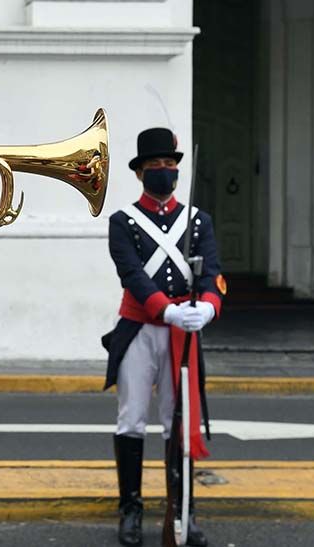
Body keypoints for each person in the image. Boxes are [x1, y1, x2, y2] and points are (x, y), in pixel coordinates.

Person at [101, 128, 224, 547]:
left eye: (170, 167)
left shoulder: (197, 220)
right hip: (139, 327)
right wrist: (164, 307)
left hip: (181, 333)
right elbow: (131, 273)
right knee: (132, 418)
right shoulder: (124, 222)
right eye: (155, 167)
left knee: (179, 421)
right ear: (140, 174)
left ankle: (183, 511)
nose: (164, 173)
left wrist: (207, 304)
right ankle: (131, 511)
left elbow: (211, 273)